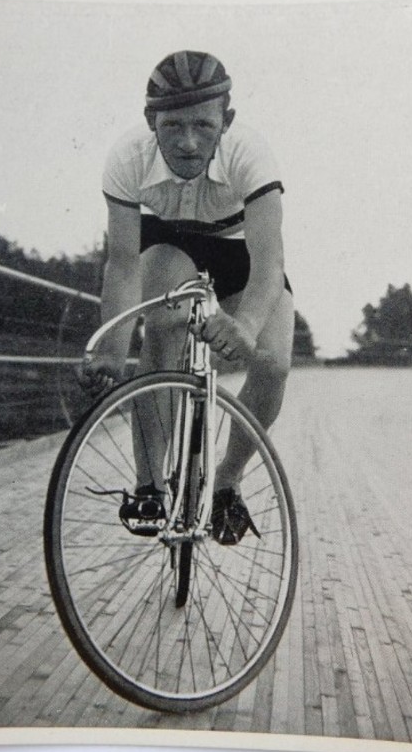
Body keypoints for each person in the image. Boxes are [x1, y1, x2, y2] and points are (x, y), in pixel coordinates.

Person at [82, 49, 294, 543]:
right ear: (150, 120)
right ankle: (150, 485)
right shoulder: (126, 158)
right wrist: (110, 352)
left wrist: (244, 327)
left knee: (274, 363)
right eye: (173, 126)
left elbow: (269, 266)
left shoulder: (252, 154)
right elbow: (122, 264)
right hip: (170, 242)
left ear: (228, 120)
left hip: (241, 253)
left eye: (203, 124)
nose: (188, 141)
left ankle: (226, 479)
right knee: (162, 327)